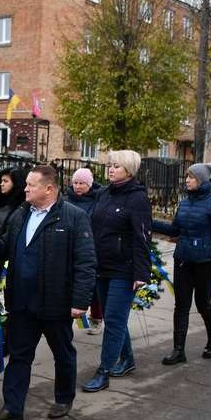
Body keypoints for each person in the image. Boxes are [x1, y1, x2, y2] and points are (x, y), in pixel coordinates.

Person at [0, 165, 96, 420]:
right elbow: (6, 247)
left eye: (30, 185)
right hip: (22, 301)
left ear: (49, 188)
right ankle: (12, 407)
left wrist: (80, 301)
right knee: (20, 356)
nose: (25, 188)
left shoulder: (73, 217)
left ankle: (63, 398)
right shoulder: (20, 215)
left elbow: (86, 262)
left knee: (62, 352)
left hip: (55, 302)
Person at [82, 150, 152, 393]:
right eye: (110, 165)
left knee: (112, 319)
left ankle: (103, 371)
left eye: (117, 166)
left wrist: (142, 273)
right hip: (102, 266)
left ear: (129, 170)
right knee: (116, 318)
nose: (111, 169)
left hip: (125, 269)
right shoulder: (103, 194)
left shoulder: (137, 198)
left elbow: (142, 237)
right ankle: (128, 360)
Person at [152, 164, 211, 363]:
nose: (187, 180)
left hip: (205, 263)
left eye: (191, 177)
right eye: (187, 176)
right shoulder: (184, 203)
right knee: (181, 306)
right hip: (183, 260)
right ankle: (179, 350)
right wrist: (149, 222)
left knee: (203, 304)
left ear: (202, 180)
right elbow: (175, 230)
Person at [65, 167, 105, 334]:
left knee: (93, 287)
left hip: (92, 246)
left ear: (89, 184)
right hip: (69, 247)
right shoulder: (66, 200)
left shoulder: (98, 200)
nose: (78, 186)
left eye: (82, 183)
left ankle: (96, 317)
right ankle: (72, 321)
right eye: (75, 182)